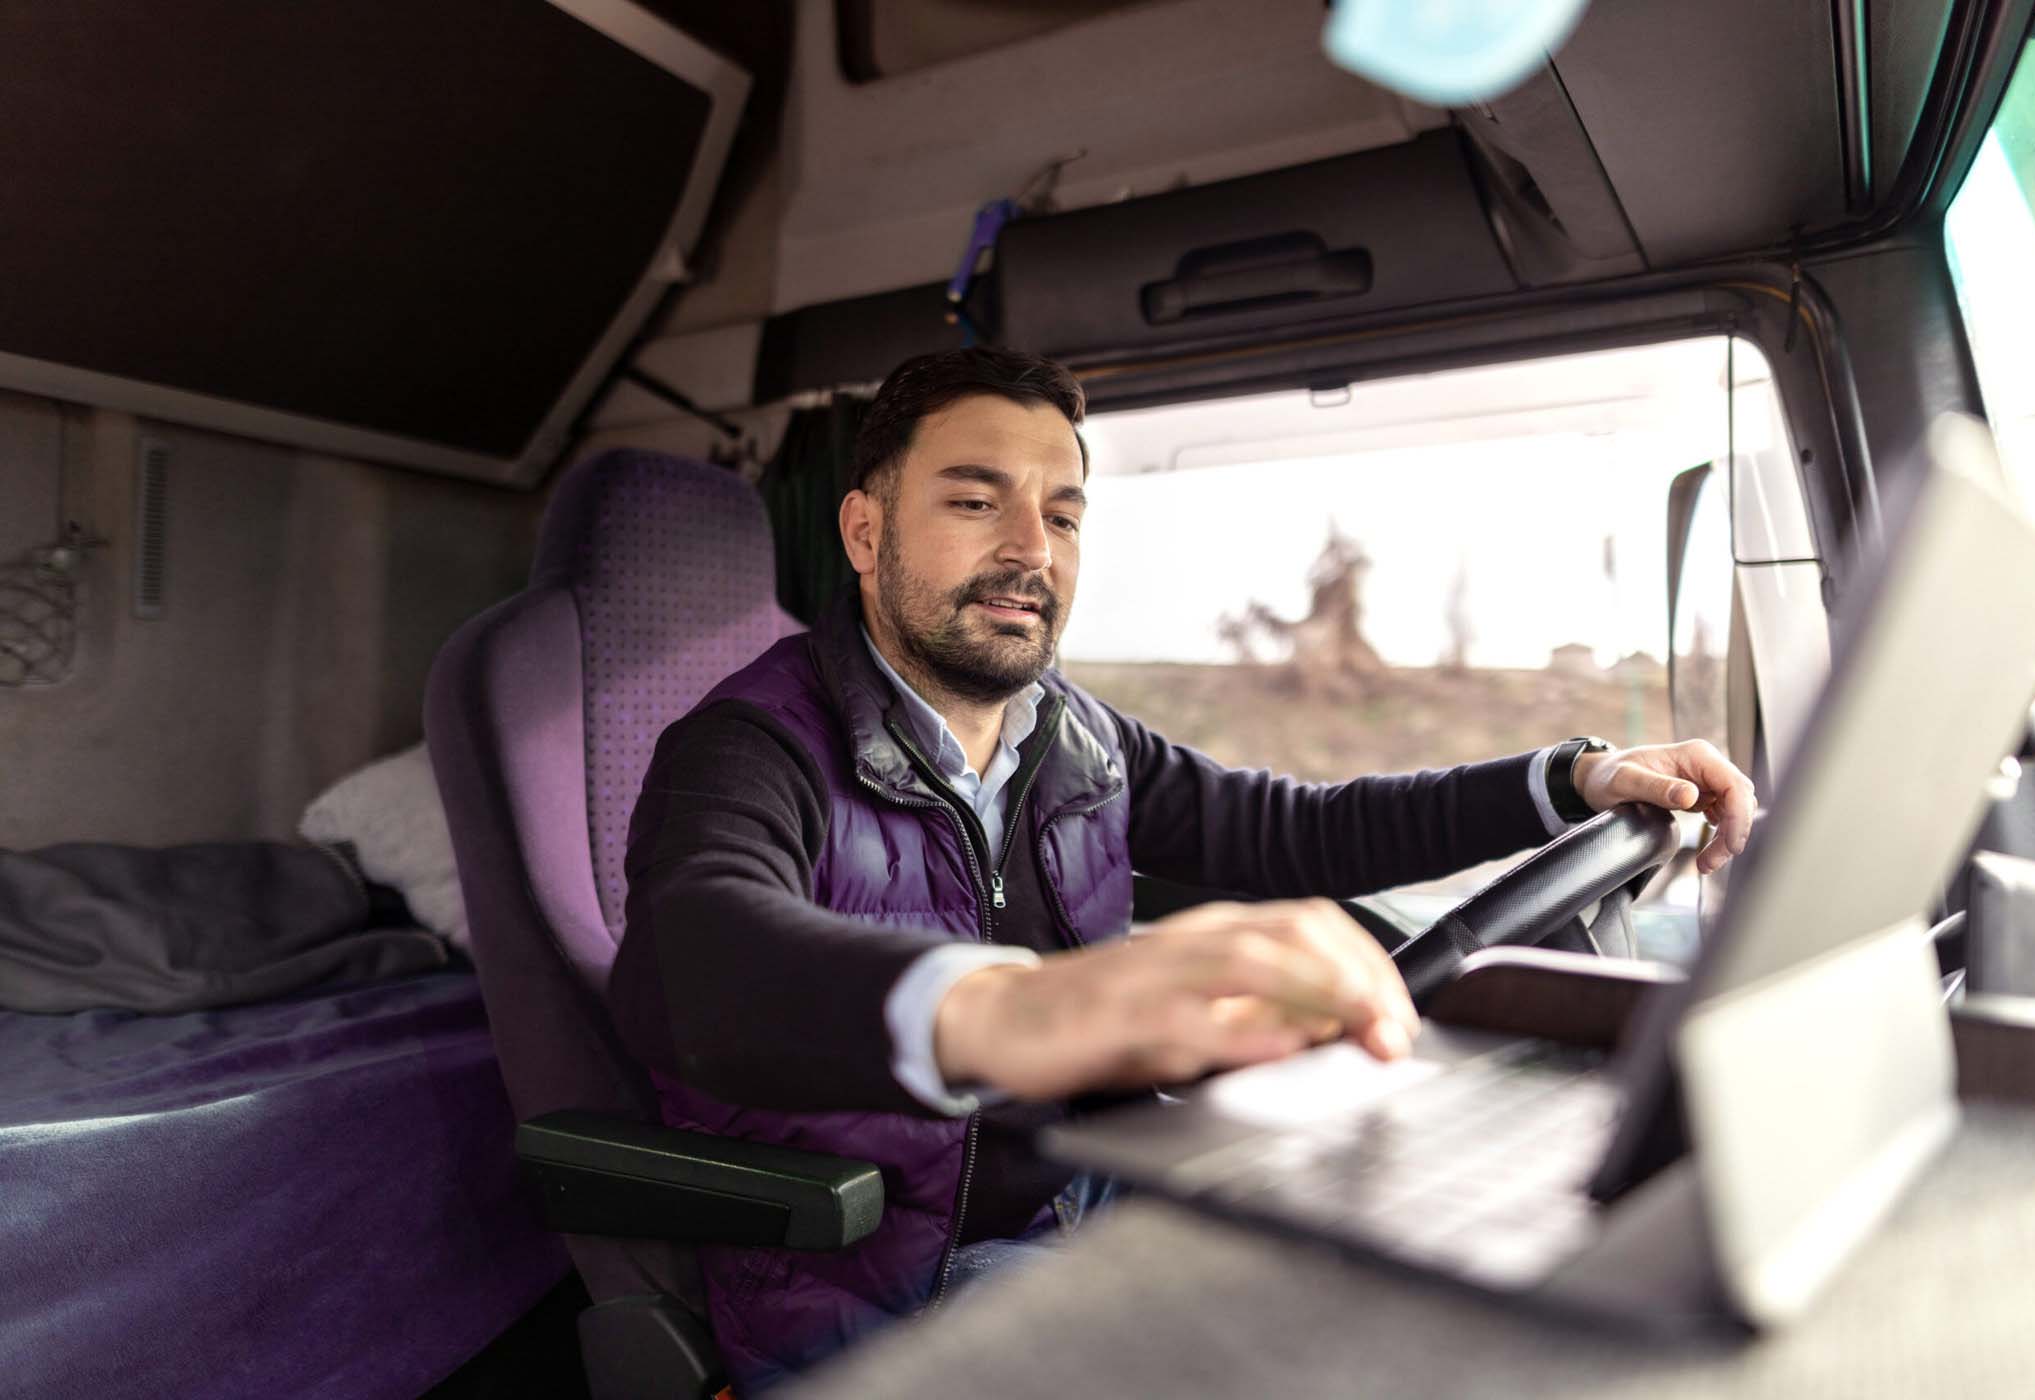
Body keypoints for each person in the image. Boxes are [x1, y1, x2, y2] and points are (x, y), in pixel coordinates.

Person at [607, 346, 1755, 1390]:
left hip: (1100, 1178)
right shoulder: (750, 741)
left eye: (1062, 515)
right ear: (864, 534)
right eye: (974, 502)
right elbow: (693, 955)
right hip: (891, 1268)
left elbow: (1293, 831)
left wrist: (1569, 780)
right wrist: (1023, 1002)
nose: (1029, 550)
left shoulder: (1069, 732)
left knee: (1453, 1292)